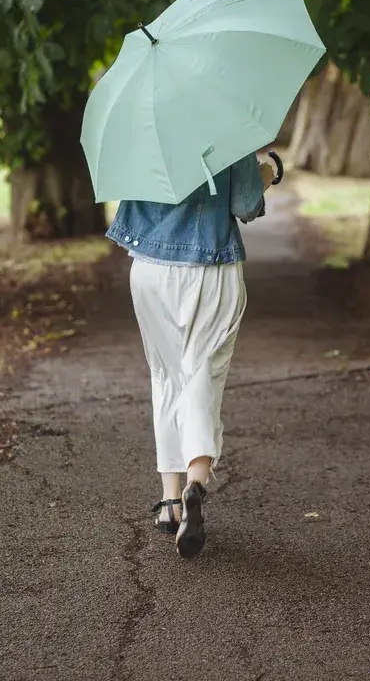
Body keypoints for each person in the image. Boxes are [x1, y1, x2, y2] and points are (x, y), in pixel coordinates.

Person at [106, 151, 278, 559]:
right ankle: (195, 482)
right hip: (210, 268)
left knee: (166, 376)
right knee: (202, 371)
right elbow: (246, 205)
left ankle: (170, 504)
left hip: (149, 269)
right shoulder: (223, 124)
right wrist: (269, 170)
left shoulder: (142, 124)